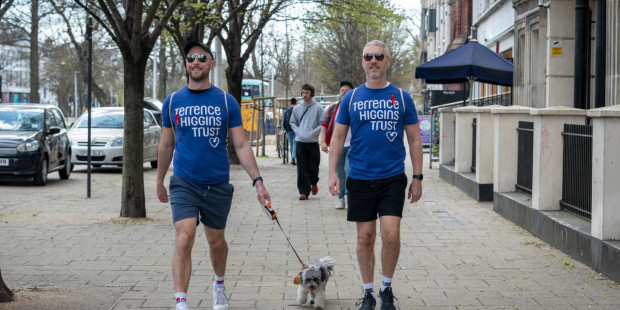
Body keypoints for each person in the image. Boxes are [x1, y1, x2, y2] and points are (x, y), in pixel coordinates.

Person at [156, 41, 271, 310]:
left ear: (211, 64)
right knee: (184, 237)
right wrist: (159, 180)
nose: (195, 62)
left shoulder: (225, 101)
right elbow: (166, 144)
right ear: (186, 64)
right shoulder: (172, 101)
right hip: (184, 181)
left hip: (217, 184)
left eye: (201, 58)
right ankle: (181, 302)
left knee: (215, 240)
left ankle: (219, 285)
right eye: (190, 58)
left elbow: (241, 145)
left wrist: (258, 182)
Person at [327, 40, 423, 310]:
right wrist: (333, 173)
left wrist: (418, 177)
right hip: (358, 177)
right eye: (368, 56)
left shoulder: (403, 98)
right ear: (362, 61)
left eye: (379, 56)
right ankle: (368, 293)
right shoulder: (352, 98)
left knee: (391, 235)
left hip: (392, 177)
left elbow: (415, 140)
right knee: (365, 238)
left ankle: (386, 289)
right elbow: (337, 137)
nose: (373, 60)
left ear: (388, 61)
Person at [320, 80, 353, 209]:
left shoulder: (355, 107)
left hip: (352, 145)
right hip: (337, 146)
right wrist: (323, 142)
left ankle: (350, 198)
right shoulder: (333, 108)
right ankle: (341, 198)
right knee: (339, 173)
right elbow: (324, 125)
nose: (344, 92)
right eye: (342, 90)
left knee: (348, 171)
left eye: (347, 90)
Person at [289, 84, 324, 200]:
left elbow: (322, 123)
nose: (304, 95)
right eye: (303, 93)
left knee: (313, 168)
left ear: (312, 94)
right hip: (300, 141)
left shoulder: (318, 108)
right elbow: (292, 122)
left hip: (313, 142)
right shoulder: (296, 109)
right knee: (301, 168)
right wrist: (298, 131)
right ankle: (304, 191)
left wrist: (313, 132)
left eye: (307, 93)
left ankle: (314, 182)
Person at [282, 97, 298, 165]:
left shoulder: (287, 110)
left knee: (291, 144)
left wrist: (285, 128)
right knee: (295, 144)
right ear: (296, 102)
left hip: (288, 130)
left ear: (290, 103)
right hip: (296, 129)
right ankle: (293, 158)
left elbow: (284, 120)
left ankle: (292, 157)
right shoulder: (297, 110)